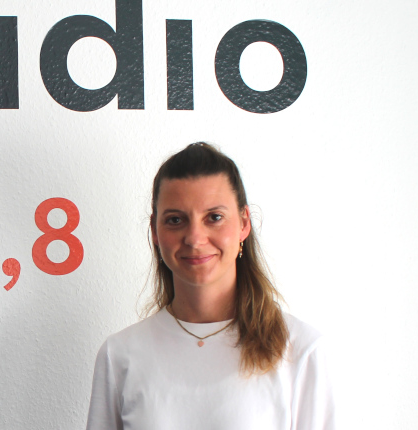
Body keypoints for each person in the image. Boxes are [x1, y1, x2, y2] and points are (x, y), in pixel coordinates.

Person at [86, 143, 335, 430]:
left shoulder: (300, 350)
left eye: (214, 218)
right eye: (175, 220)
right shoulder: (119, 354)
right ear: (154, 230)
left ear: (244, 223)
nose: (194, 238)